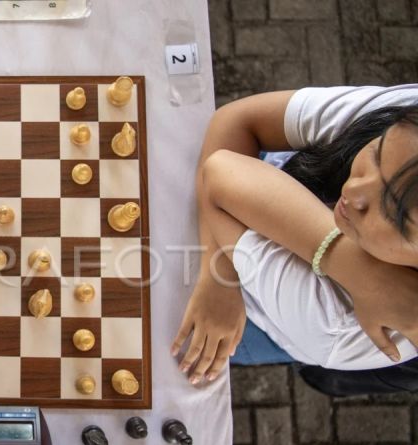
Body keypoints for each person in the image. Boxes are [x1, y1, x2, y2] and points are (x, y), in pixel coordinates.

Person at [170, 85, 418, 387]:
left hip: (252, 317)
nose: (352, 192)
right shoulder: (408, 118)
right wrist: (219, 275)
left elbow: (221, 173)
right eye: (377, 154)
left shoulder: (338, 320)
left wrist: (220, 279)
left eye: (394, 214)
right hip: (235, 247)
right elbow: (237, 121)